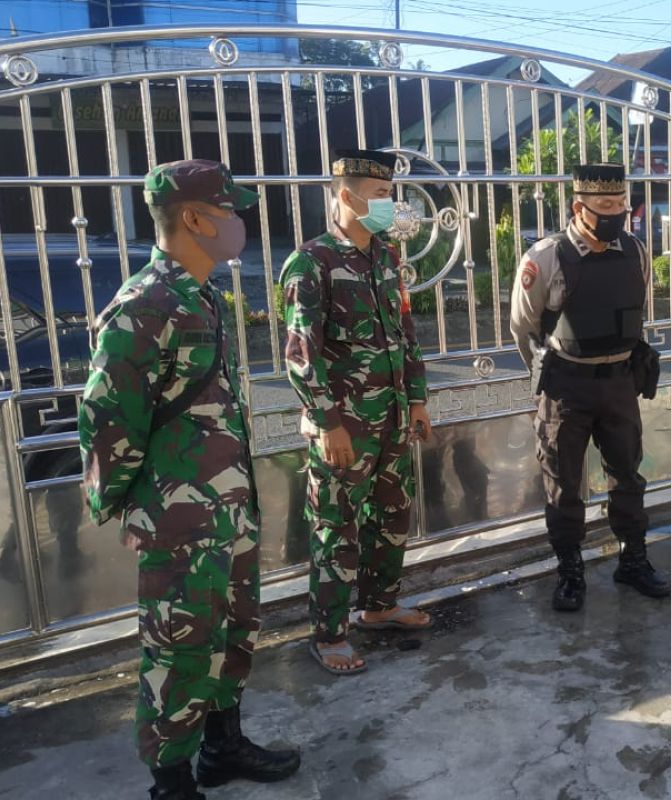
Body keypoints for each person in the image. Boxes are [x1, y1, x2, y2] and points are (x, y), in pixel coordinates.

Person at [78, 159, 301, 799]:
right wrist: (128, 503)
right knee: (179, 649)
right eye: (231, 213)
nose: (240, 227)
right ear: (196, 218)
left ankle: (222, 747)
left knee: (233, 631)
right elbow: (107, 417)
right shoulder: (144, 303)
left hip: (226, 509)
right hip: (179, 520)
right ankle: (172, 782)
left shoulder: (197, 293)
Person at [280, 148, 433, 676]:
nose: (391, 205)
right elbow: (300, 355)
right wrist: (326, 423)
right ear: (345, 196)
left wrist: (416, 400)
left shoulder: (386, 257)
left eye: (392, 195)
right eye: (381, 196)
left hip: (390, 419)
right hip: (345, 426)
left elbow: (405, 334)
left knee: (392, 516)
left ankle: (380, 606)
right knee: (335, 527)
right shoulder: (312, 262)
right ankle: (328, 634)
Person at [510, 162, 671, 612]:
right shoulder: (545, 257)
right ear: (578, 207)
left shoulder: (635, 250)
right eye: (605, 206)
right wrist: (545, 378)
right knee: (563, 485)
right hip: (567, 388)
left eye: (621, 204)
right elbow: (523, 328)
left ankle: (633, 559)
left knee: (628, 477)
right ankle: (570, 570)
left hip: (619, 382)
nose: (616, 213)